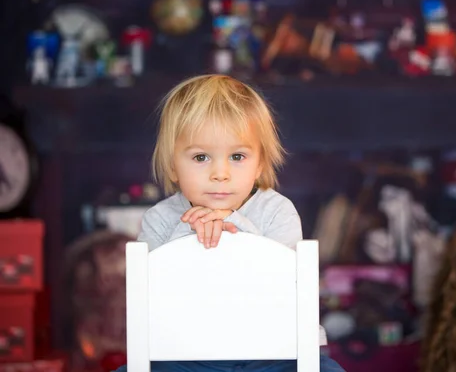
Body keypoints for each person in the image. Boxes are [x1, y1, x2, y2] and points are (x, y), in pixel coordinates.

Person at [115, 74, 345, 372]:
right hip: (187, 355)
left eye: (237, 156)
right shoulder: (160, 219)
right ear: (173, 165)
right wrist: (188, 231)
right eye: (201, 157)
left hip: (270, 354)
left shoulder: (277, 211)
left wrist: (235, 228)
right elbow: (153, 306)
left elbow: (285, 293)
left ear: (259, 162)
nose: (220, 173)